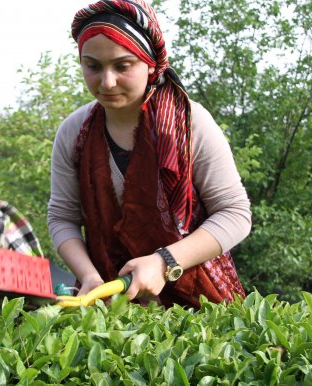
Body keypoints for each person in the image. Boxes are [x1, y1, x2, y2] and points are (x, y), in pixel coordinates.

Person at [47, 0, 252, 308]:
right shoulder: (73, 133)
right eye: (93, 66)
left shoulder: (190, 124)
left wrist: (164, 261)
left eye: (122, 66)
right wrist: (88, 276)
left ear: (151, 63)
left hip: (199, 303)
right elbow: (62, 217)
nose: (107, 82)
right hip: (108, 304)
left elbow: (235, 214)